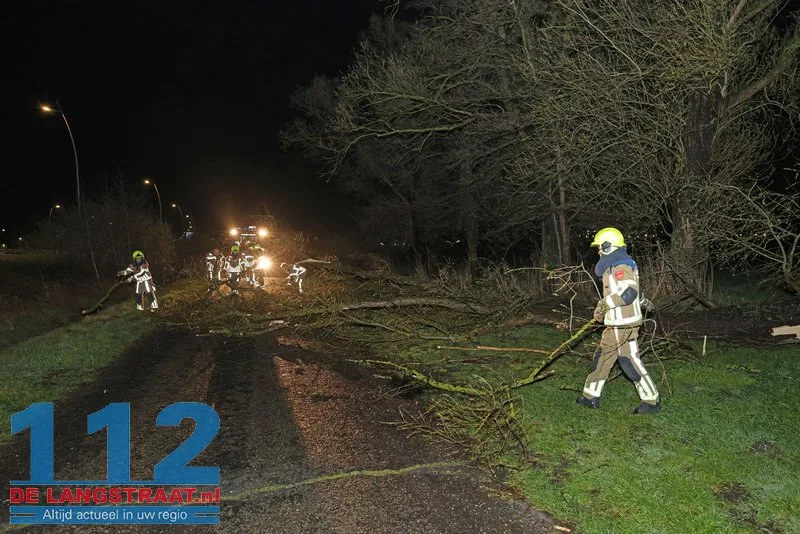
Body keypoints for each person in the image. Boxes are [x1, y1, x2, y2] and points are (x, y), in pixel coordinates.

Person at [577, 228, 660, 414]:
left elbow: (629, 293)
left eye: (600, 247)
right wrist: (645, 303)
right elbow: (631, 293)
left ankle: (651, 401)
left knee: (629, 362)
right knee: (602, 359)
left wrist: (604, 304)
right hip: (614, 325)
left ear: (608, 246)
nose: (598, 251)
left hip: (625, 325)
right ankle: (590, 397)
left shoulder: (620, 266)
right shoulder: (614, 265)